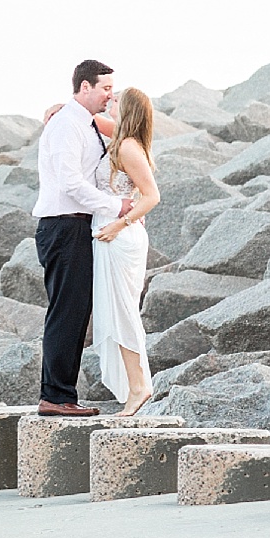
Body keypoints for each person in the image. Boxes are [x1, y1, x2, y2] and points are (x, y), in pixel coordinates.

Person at [31, 59, 126, 417]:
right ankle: (55, 397)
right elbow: (71, 183)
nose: (109, 96)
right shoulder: (66, 126)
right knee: (66, 312)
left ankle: (61, 395)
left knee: (75, 310)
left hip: (76, 227)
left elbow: (122, 133)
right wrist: (117, 206)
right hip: (63, 225)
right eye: (105, 89)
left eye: (112, 91)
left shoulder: (81, 122)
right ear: (84, 87)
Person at [88, 87, 160, 416]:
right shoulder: (120, 137)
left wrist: (119, 224)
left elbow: (151, 196)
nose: (109, 102)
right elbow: (92, 120)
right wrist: (62, 107)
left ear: (126, 108)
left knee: (122, 312)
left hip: (121, 237)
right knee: (114, 311)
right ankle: (136, 385)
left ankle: (139, 387)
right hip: (110, 236)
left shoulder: (129, 147)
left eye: (115, 100)